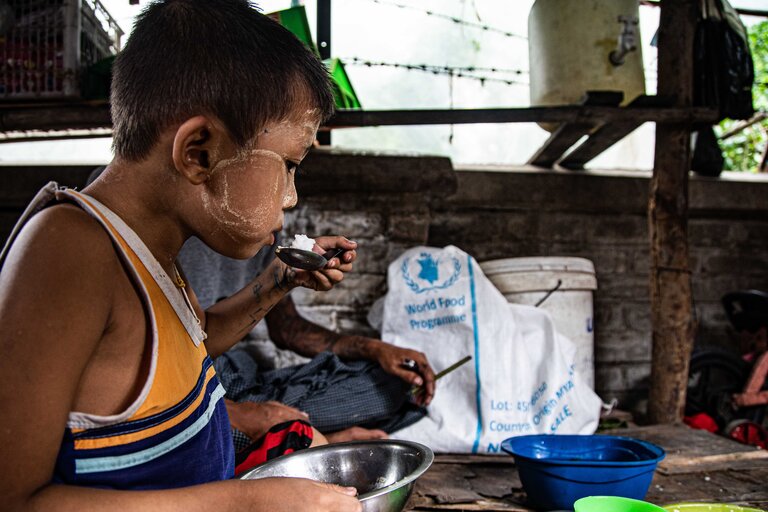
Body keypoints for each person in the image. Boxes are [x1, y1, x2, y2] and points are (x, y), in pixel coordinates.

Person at [0, 1, 365, 510]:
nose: (291, 196)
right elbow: (14, 499)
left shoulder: (154, 249)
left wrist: (281, 280)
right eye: (287, 164)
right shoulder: (71, 248)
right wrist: (241, 503)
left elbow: (196, 342)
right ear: (199, 151)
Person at [177, 237, 437, 454]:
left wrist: (375, 349)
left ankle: (291, 438)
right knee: (194, 434)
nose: (290, 199)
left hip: (240, 377)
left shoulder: (264, 237)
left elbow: (287, 329)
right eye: (287, 172)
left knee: (392, 384)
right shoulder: (163, 250)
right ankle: (307, 442)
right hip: (189, 391)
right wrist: (239, 414)